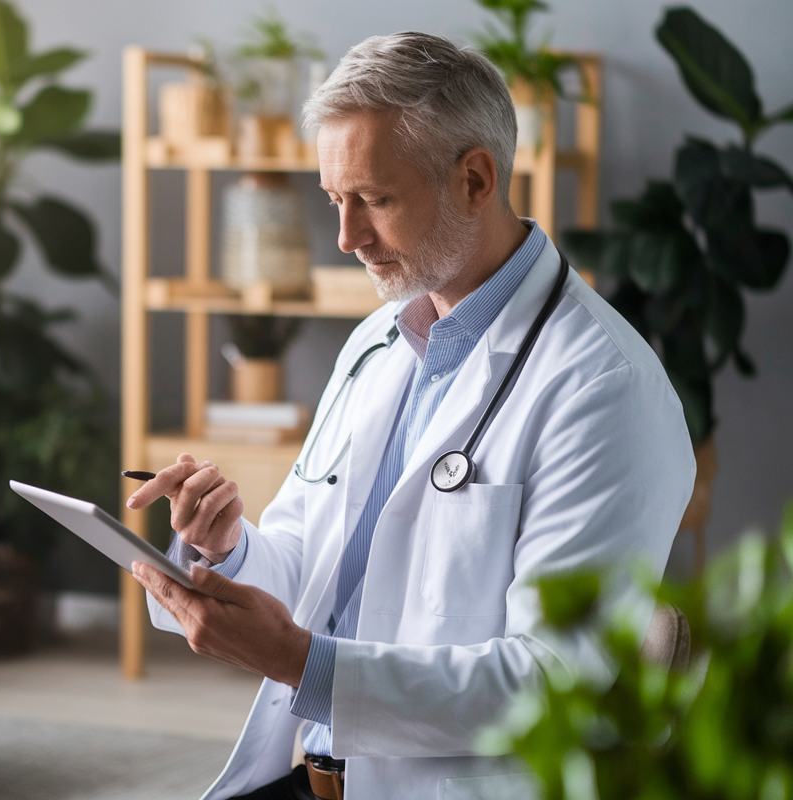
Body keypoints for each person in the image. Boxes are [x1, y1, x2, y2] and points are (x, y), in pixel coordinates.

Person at [127, 31, 695, 800]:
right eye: (336, 199)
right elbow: (310, 565)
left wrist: (302, 663)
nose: (346, 237)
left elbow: (556, 680)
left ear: (475, 179)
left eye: (375, 200)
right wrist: (227, 551)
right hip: (314, 775)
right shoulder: (377, 343)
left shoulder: (604, 387)